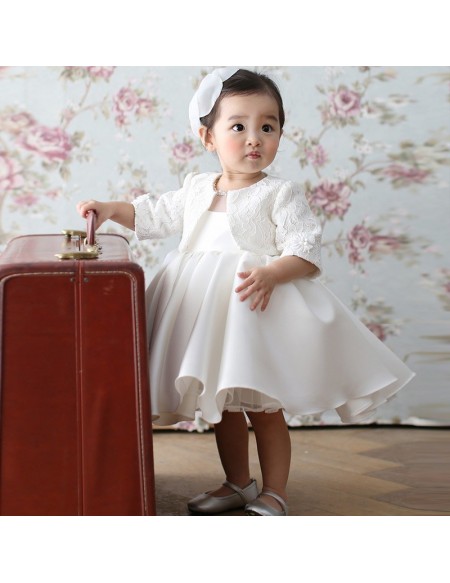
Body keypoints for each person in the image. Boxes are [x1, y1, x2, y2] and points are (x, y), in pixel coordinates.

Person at [77, 67, 415, 516]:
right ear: (208, 138)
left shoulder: (279, 193)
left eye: (268, 126)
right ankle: (238, 482)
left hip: (254, 311)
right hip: (203, 314)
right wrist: (107, 209)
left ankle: (276, 491)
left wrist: (275, 272)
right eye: (239, 126)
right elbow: (151, 213)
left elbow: (306, 249)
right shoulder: (198, 187)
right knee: (223, 408)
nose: (254, 138)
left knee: (263, 409)